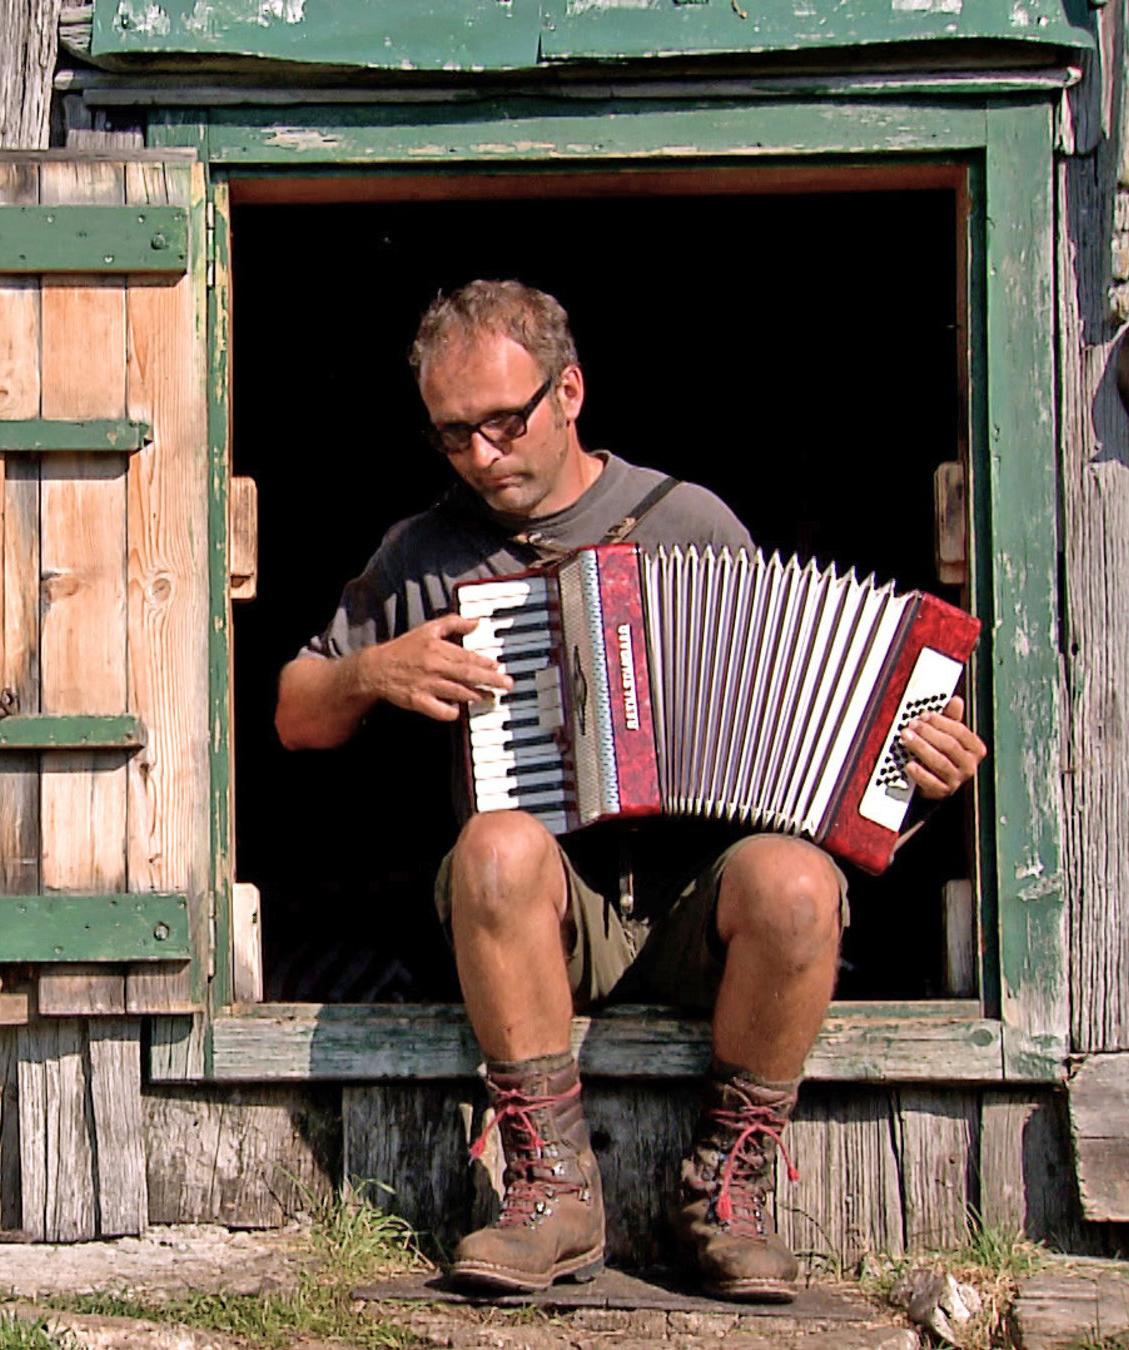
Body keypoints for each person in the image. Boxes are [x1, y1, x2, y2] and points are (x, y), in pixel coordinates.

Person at [272, 280, 987, 1303]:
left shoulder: (686, 519)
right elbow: (295, 715)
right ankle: (553, 1193)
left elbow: (806, 713)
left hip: (702, 912)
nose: (480, 457)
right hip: (544, 922)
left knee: (797, 881)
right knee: (494, 845)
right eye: (451, 436)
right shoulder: (424, 550)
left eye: (501, 424)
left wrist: (914, 768)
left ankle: (724, 1198)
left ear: (568, 391)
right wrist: (369, 673)